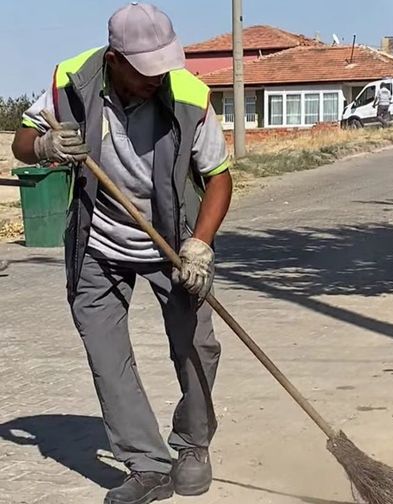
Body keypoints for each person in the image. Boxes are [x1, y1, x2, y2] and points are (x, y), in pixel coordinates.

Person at [11, 3, 232, 503]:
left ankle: (193, 445)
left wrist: (200, 245)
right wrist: (45, 146)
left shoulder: (188, 94)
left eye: (163, 68)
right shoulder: (71, 81)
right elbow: (22, 143)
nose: (157, 79)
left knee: (196, 345)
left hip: (172, 243)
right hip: (97, 243)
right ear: (114, 60)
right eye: (145, 70)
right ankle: (147, 464)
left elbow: (219, 178)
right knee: (107, 355)